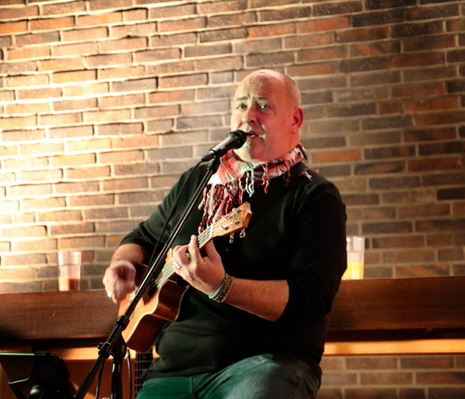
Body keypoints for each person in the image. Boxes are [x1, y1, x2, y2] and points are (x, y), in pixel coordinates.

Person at [103, 69, 347, 399]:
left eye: (263, 105)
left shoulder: (314, 196)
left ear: (295, 118)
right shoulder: (199, 181)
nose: (249, 115)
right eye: (241, 105)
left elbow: (309, 300)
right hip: (173, 371)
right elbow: (145, 237)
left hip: (263, 366)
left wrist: (222, 287)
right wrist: (124, 263)